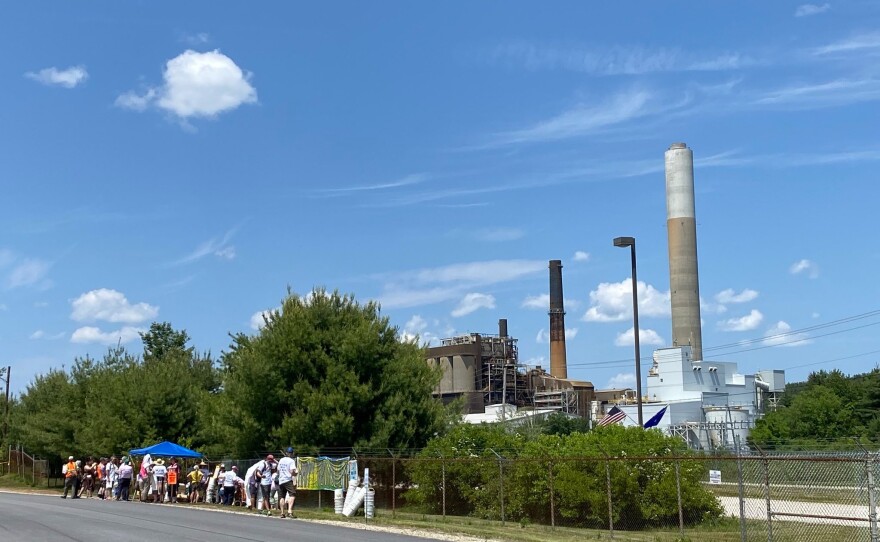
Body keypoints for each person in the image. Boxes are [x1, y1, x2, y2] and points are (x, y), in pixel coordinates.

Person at [276, 448, 298, 518]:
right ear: (291, 453)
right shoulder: (291, 461)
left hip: (281, 480)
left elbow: (278, 470)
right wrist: (296, 473)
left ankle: (282, 513)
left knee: (282, 496)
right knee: (292, 494)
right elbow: (292, 472)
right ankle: (289, 511)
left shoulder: (281, 460)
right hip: (287, 480)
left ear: (286, 453)